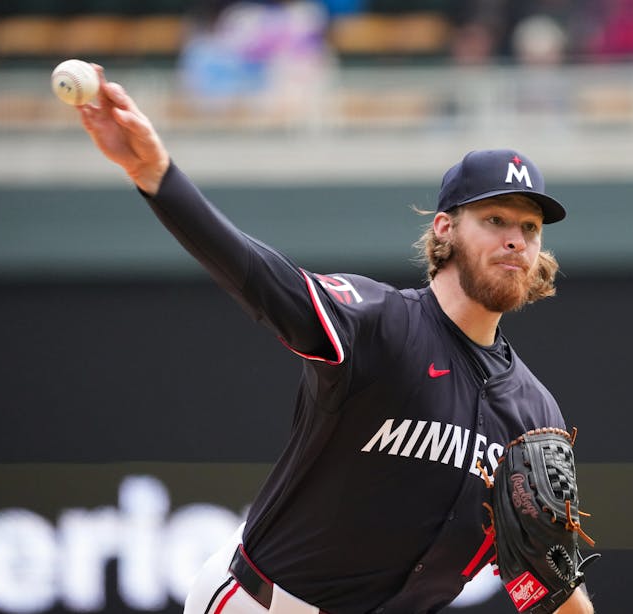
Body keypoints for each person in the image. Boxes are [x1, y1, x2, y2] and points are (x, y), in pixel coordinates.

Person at [77, 64, 595, 614]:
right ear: (445, 228)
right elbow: (261, 277)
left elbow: (548, 583)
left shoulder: (535, 415)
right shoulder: (378, 323)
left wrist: (554, 581)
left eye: (529, 228)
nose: (516, 240)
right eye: (495, 220)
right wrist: (157, 175)